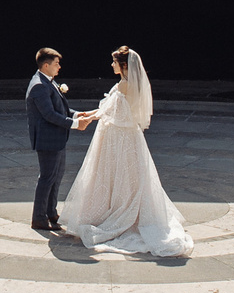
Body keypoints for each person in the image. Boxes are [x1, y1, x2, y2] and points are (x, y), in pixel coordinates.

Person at [58, 46, 192, 257]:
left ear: (123, 65)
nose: (111, 65)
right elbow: (110, 109)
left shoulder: (124, 84)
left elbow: (109, 110)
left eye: (114, 62)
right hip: (128, 135)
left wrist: (88, 117)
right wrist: (88, 115)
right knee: (130, 177)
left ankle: (116, 212)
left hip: (118, 137)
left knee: (115, 174)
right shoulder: (130, 83)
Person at [23, 47, 90, 237]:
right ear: (46, 65)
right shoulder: (39, 86)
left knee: (56, 176)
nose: (59, 67)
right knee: (47, 178)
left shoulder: (48, 81)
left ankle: (51, 212)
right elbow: (49, 114)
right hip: (48, 140)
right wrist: (75, 124)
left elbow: (60, 109)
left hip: (57, 139)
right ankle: (39, 218)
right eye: (56, 63)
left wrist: (77, 114)